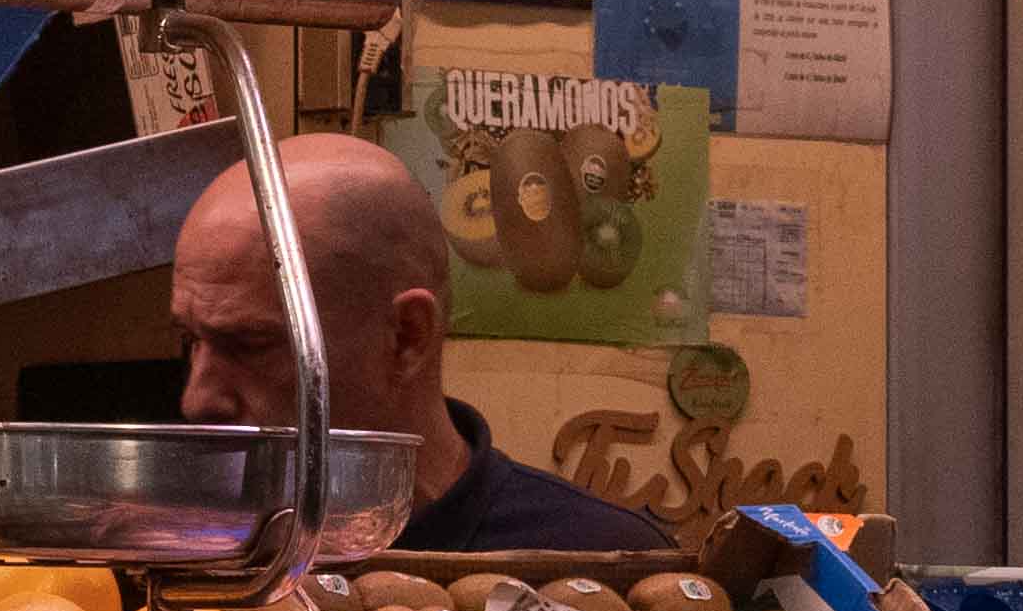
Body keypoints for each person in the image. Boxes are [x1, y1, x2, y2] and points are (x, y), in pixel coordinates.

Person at [172, 135, 673, 554]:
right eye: (191, 341)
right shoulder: (182, 554)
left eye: (252, 344)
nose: (196, 401)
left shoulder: (595, 563)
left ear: (407, 336)